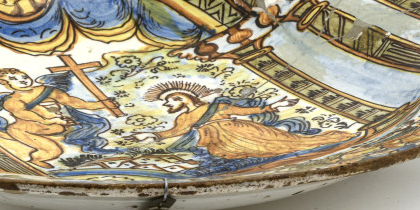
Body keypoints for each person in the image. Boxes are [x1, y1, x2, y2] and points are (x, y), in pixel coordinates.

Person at [128, 81, 354, 160]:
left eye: (170, 101)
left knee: (286, 142)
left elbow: (244, 111)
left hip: (241, 130)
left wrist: (273, 106)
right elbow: (176, 132)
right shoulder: (183, 117)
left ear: (181, 97)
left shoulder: (216, 106)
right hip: (220, 140)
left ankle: (327, 141)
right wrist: (152, 135)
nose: (168, 106)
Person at [0, 68, 113, 168]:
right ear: (5, 84)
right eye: (14, 79)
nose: (22, 80)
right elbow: (26, 114)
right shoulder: (11, 101)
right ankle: (36, 160)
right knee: (53, 152)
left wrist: (100, 104)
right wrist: (50, 119)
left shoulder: (47, 90)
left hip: (54, 128)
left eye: (24, 76)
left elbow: (71, 101)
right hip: (25, 130)